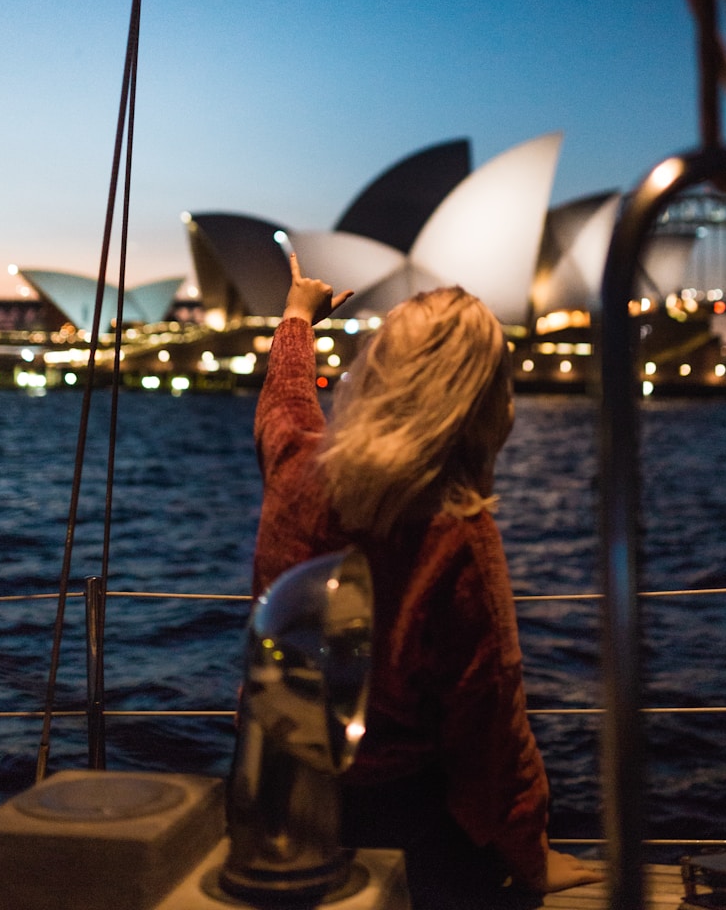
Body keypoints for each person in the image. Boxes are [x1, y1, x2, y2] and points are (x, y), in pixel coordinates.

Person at [250, 253, 601, 906]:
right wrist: (530, 857)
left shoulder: (296, 467)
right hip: (400, 828)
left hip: (279, 806)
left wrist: (296, 318)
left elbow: (285, 401)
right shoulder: (456, 534)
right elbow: (490, 732)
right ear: (482, 401)